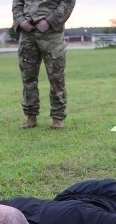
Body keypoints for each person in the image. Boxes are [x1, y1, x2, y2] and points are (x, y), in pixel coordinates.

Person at [13, 0, 76, 130]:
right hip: (28, 34)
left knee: (56, 78)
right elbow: (18, 3)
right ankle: (31, 117)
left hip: (52, 34)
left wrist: (49, 22)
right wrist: (21, 21)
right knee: (28, 77)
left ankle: (58, 118)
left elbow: (68, 2)